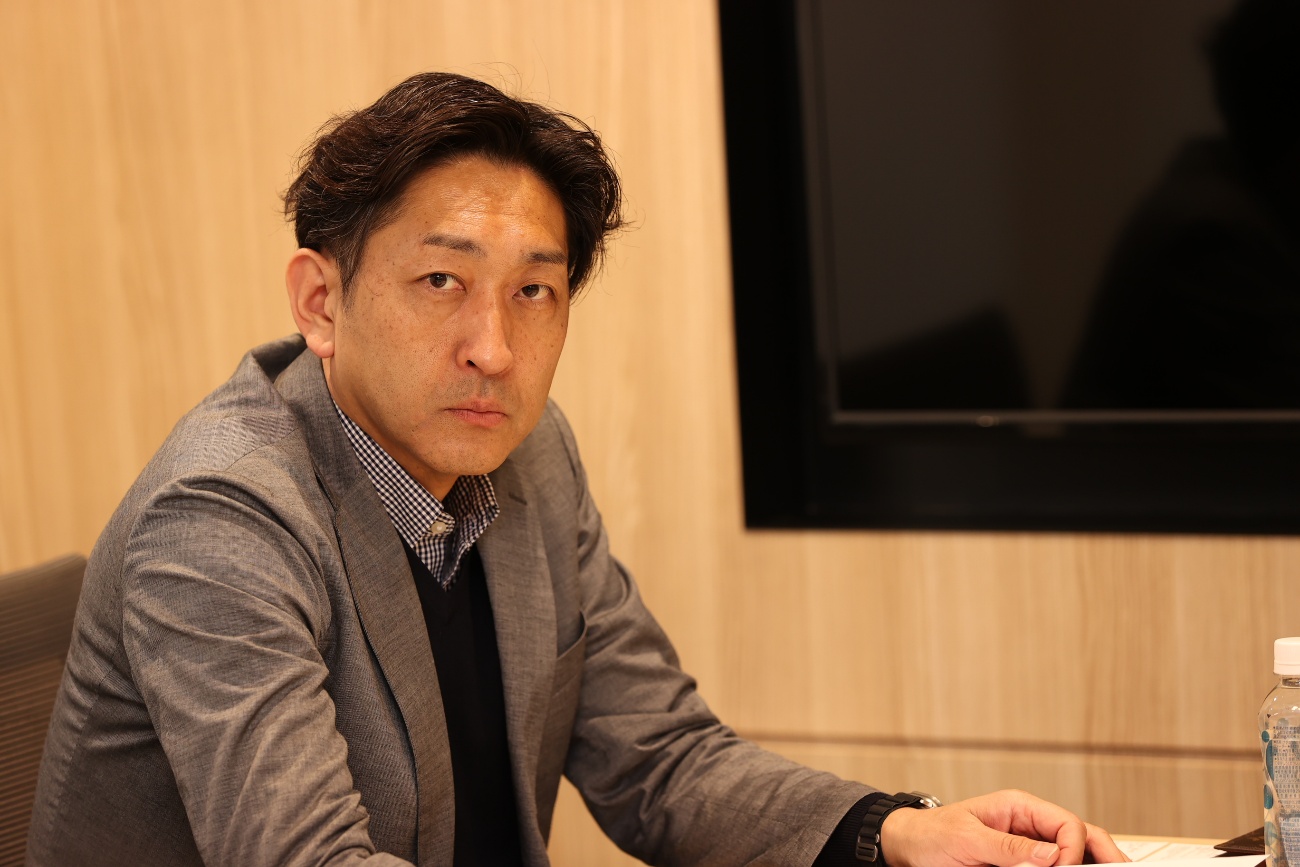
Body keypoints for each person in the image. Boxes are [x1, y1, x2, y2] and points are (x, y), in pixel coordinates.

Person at [27, 72, 1126, 867]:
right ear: (321, 301)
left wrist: (893, 833)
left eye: (534, 292)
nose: (495, 349)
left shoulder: (529, 454)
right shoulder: (220, 516)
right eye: (442, 283)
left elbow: (661, 758)